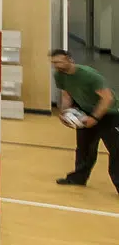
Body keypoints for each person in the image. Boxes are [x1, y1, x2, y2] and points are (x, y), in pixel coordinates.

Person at [51, 48, 119, 192]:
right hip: (85, 112)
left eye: (60, 62)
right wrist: (65, 112)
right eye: (54, 63)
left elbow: (108, 98)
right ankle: (78, 178)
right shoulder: (59, 75)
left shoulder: (89, 75)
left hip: (110, 113)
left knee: (116, 150)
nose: (57, 65)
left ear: (70, 60)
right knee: (84, 148)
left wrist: (94, 118)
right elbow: (67, 94)